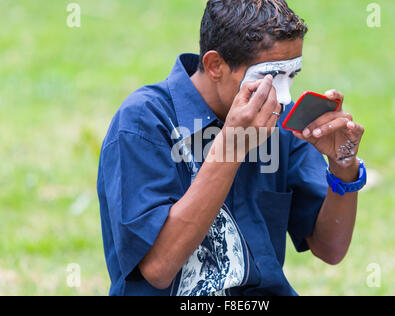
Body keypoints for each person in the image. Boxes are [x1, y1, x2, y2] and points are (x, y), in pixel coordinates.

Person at [97, 0, 366, 296]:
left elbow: (331, 249)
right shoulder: (143, 121)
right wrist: (231, 148)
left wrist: (343, 166)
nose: (285, 97)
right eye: (272, 76)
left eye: (292, 76)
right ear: (215, 66)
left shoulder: (280, 123)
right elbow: (159, 268)